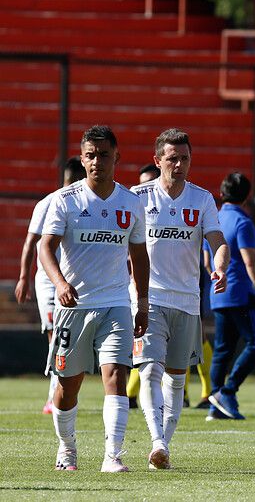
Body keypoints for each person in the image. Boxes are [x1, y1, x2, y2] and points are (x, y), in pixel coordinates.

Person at [40, 125, 149, 472]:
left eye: (104, 154)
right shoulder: (66, 200)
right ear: (83, 158)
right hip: (74, 307)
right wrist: (59, 284)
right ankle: (67, 448)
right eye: (90, 155)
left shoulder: (131, 203)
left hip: (116, 303)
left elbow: (140, 255)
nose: (96, 161)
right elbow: (45, 247)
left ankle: (112, 456)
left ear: (117, 157)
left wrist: (141, 302)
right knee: (67, 387)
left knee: (116, 376)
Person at [131, 129, 229, 470]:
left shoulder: (202, 199)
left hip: (188, 301)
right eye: (172, 158)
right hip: (149, 298)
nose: (179, 164)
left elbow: (218, 240)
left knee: (176, 378)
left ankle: (163, 448)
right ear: (158, 161)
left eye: (184, 158)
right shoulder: (138, 197)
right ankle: (156, 440)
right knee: (149, 371)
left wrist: (219, 265)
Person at [15, 156, 86, 414]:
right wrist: (23, 277)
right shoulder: (49, 203)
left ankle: (64, 393)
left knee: (69, 337)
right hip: (48, 280)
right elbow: (31, 242)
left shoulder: (87, 204)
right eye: (71, 181)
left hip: (76, 280)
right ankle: (53, 396)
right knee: (55, 334)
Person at [205, 172, 255, 421]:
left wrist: (218, 278)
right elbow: (250, 261)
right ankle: (228, 391)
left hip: (218, 294)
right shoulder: (242, 222)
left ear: (222, 193)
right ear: (248, 196)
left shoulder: (213, 218)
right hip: (241, 295)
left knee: (223, 349)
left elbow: (206, 261)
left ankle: (216, 405)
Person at [126, 164, 161, 409]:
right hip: (139, 287)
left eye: (150, 181)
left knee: (178, 352)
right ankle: (128, 395)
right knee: (143, 349)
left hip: (175, 287)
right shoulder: (135, 200)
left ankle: (194, 394)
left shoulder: (176, 204)